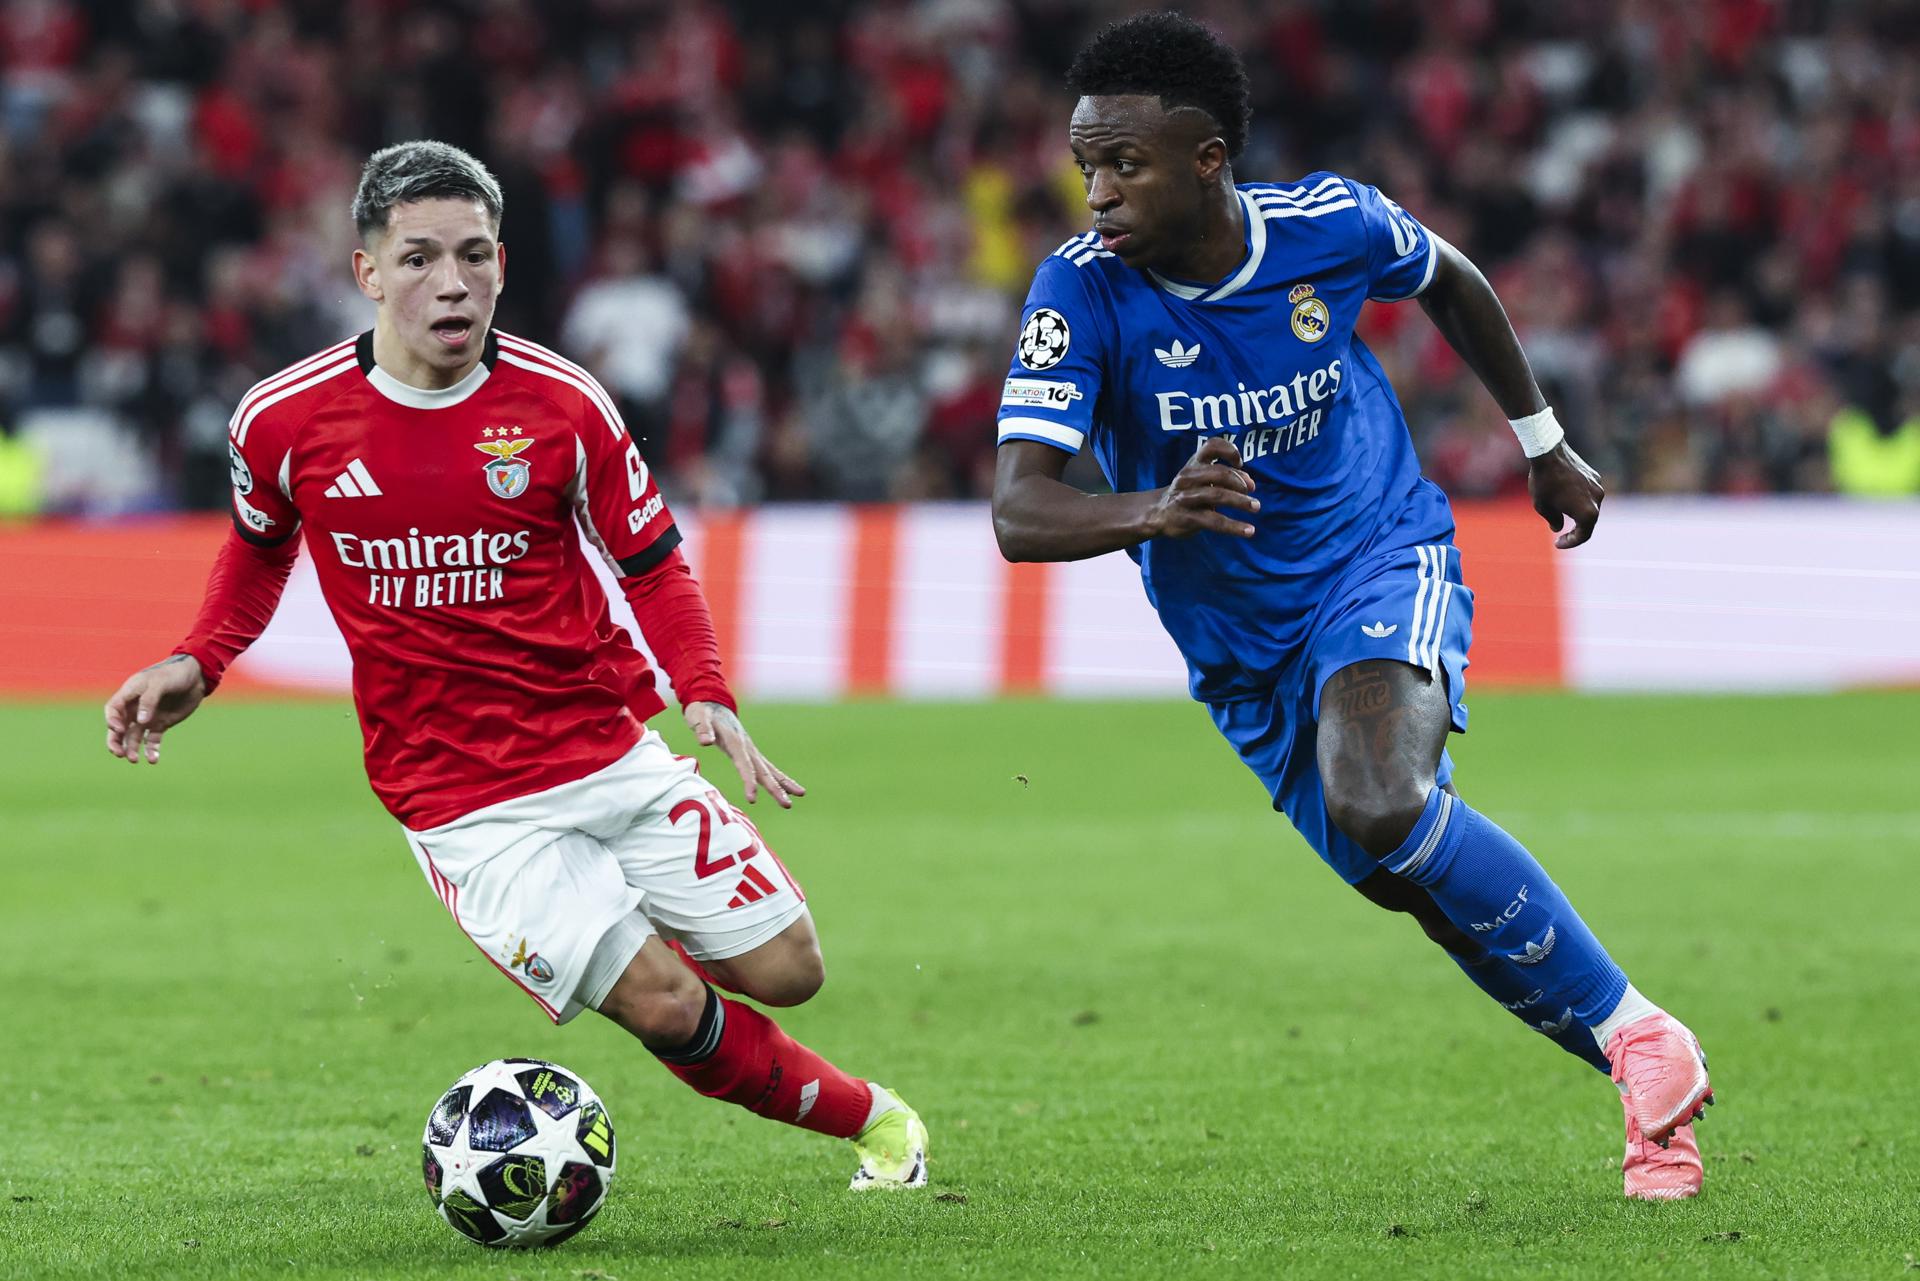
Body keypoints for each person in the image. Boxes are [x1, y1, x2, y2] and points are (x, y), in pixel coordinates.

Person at [103, 140, 927, 1193]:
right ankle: (878, 1124)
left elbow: (653, 565)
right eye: (418, 258)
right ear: (367, 272)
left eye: (475, 255)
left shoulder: (564, 404)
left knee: (789, 969)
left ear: (503, 263)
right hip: (462, 801)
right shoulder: (282, 419)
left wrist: (705, 691)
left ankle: (630, 923)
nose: (451, 282)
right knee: (667, 1002)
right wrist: (200, 658)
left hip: (605, 748)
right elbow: (259, 549)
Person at [990, 13, 1711, 1201]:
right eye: (1086, 167)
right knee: (1422, 890)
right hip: (1241, 651)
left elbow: (1451, 280)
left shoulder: (1328, 225)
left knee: (1381, 799)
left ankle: (1641, 1039)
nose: (1098, 194)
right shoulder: (1081, 292)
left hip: (1375, 557)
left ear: (1208, 159)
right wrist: (1153, 509)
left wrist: (1542, 442)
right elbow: (1020, 512)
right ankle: (1648, 1079)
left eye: (1124, 164)